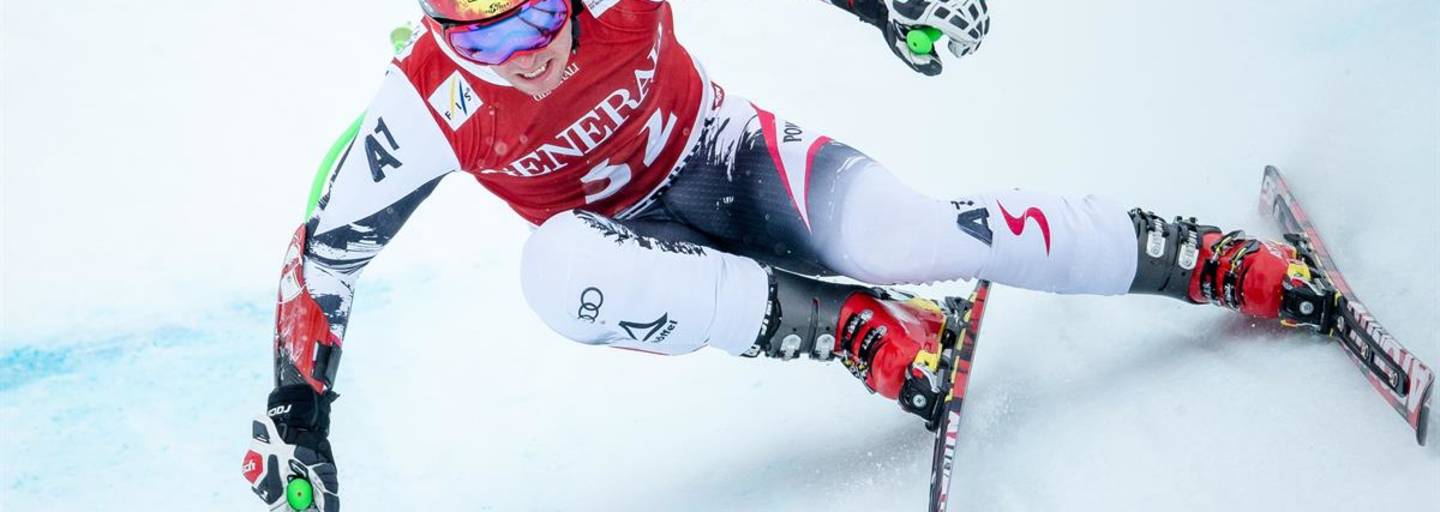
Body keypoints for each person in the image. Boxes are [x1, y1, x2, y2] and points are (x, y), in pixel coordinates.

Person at [241, 1, 1328, 509]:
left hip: (732, 159)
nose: (510, 62)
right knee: (554, 269)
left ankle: (1198, 257)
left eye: (525, 23)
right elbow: (322, 253)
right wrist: (302, 422)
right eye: (469, 35)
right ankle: (859, 329)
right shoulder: (427, 103)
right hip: (641, 252)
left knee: (917, 235)